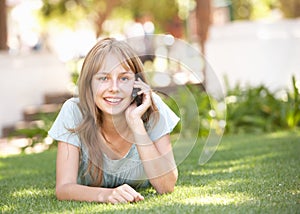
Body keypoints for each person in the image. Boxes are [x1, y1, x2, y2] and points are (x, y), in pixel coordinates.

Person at [48, 38, 180, 204]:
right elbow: (64, 188)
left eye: (124, 78)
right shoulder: (74, 111)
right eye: (104, 78)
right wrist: (106, 195)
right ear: (89, 84)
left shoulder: (152, 107)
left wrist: (136, 123)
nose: (114, 88)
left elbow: (166, 186)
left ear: (137, 84)